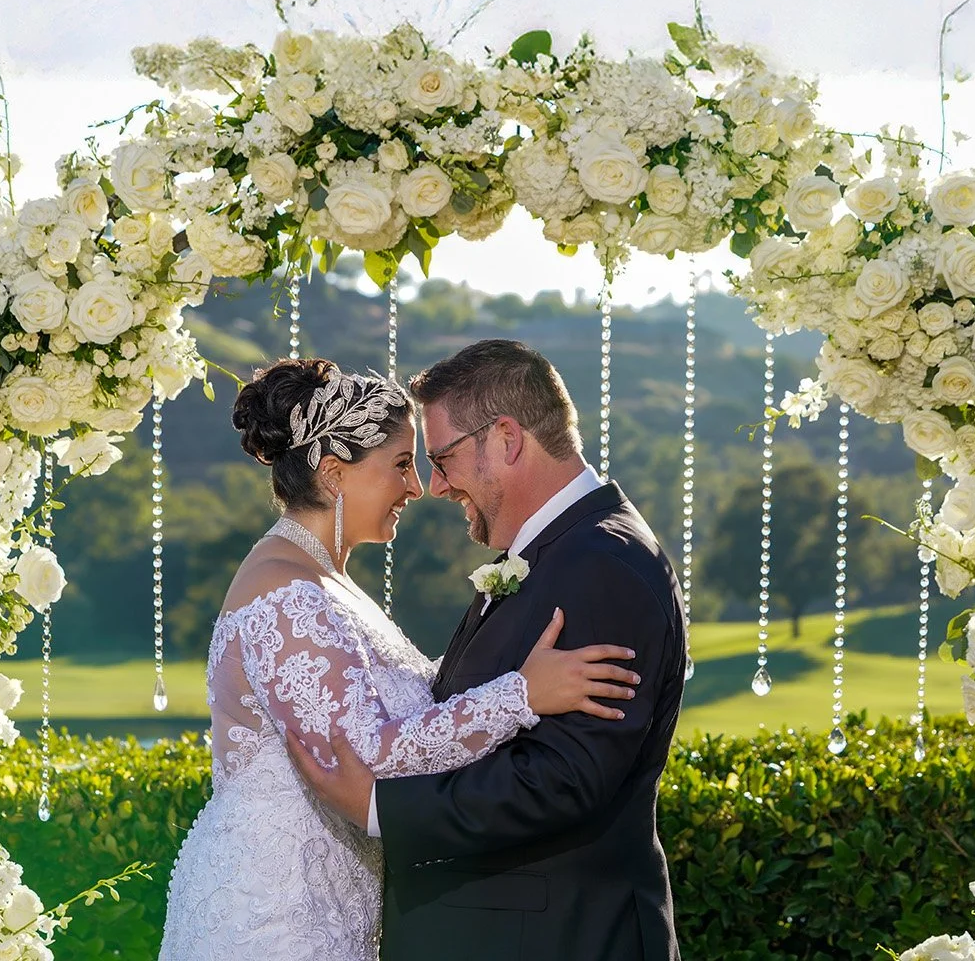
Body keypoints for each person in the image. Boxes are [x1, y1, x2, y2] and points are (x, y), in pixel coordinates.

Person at [159, 357, 642, 961]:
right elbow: (367, 755)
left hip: (336, 897)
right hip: (278, 909)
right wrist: (519, 695)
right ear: (335, 474)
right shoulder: (284, 594)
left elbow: (399, 704)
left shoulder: (324, 578)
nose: (417, 488)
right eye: (400, 466)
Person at [287, 339, 687, 961]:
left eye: (443, 458)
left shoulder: (603, 563)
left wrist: (380, 808)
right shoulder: (553, 551)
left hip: (550, 939)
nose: (437, 485)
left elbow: (565, 777)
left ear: (506, 438)